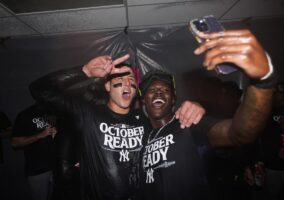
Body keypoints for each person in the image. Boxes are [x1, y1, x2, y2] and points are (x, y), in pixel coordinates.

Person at [29, 55, 204, 200]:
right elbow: (39, 90)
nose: (127, 84)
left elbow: (169, 120)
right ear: (107, 85)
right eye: (120, 79)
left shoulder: (143, 121)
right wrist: (84, 71)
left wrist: (197, 106)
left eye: (131, 80)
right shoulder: (88, 114)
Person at [137, 29, 276, 200]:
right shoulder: (139, 135)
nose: (158, 93)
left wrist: (263, 81)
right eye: (151, 90)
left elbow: (239, 133)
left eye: (164, 90)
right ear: (143, 100)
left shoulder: (188, 123)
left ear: (173, 99)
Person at [11, 103, 58, 200]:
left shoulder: (56, 111)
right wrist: (39, 136)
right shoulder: (26, 114)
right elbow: (15, 143)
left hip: (56, 166)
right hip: (37, 169)